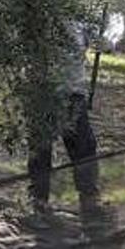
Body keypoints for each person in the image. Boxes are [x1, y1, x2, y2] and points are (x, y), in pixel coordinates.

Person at [27, 19, 100, 217]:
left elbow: (104, 45)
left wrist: (100, 42)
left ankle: (89, 200)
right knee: (41, 149)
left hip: (74, 95)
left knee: (84, 148)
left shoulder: (82, 24)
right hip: (44, 94)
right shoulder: (41, 17)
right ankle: (39, 200)